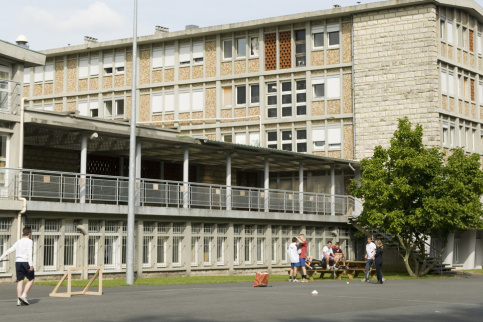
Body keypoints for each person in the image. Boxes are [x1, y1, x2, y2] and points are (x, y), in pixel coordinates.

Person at [0, 227, 35, 306]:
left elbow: (9, 250)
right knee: (31, 279)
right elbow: (29, 253)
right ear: (29, 233)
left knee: (20, 280)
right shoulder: (30, 241)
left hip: (18, 262)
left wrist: (1, 258)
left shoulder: (18, 241)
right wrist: (31, 265)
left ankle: (19, 300)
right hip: (26, 262)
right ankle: (23, 296)